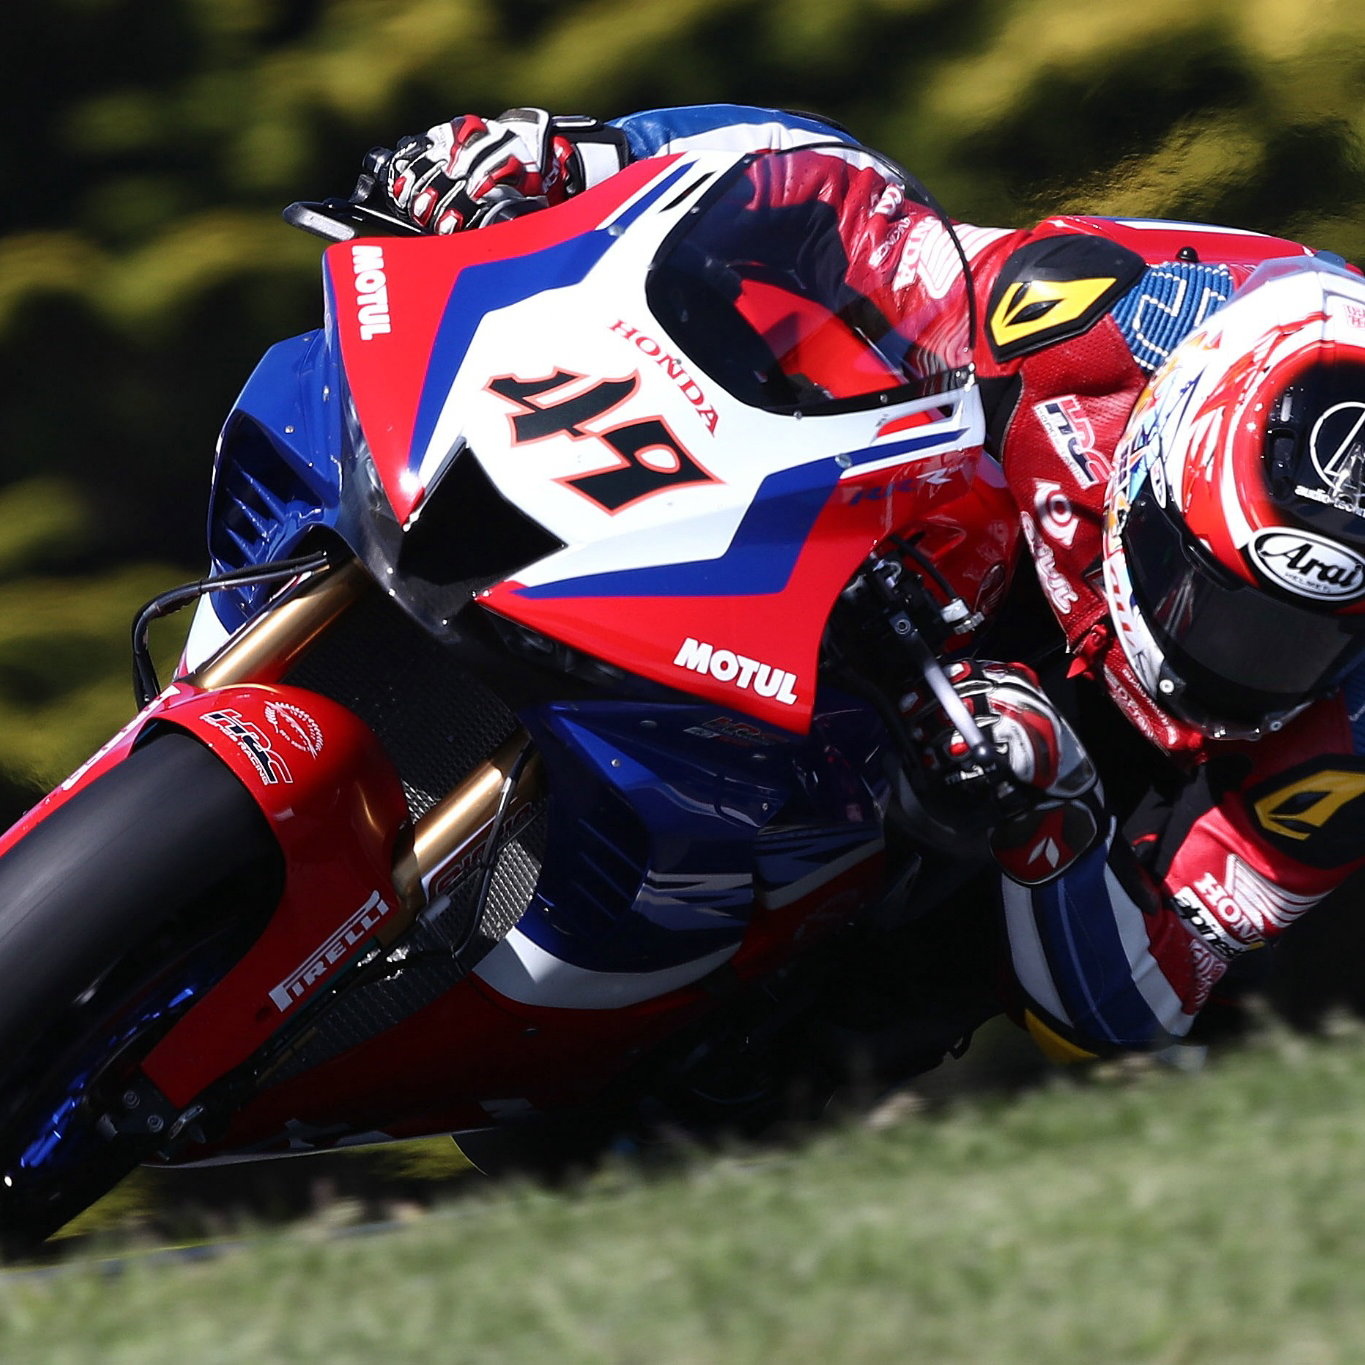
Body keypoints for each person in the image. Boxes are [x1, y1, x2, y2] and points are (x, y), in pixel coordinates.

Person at [372, 104, 1365, 1061]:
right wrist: (573, 158)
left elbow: (1142, 1009)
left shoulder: (1347, 732)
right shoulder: (1095, 311)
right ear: (1152, 468)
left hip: (1085, 766)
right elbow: (835, 205)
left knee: (920, 965)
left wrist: (1057, 812)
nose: (1214, 651)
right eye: (1209, 593)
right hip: (979, 527)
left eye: (1290, 640)